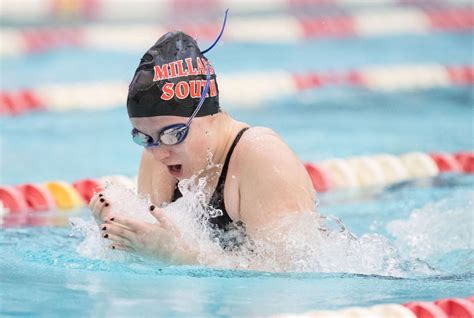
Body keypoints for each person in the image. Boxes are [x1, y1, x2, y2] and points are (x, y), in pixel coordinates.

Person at [88, 14, 315, 264]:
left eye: (173, 134)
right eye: (145, 138)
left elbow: (289, 271)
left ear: (208, 114)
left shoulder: (261, 156)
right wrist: (118, 236)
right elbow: (151, 265)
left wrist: (178, 255)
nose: (160, 153)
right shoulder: (157, 159)